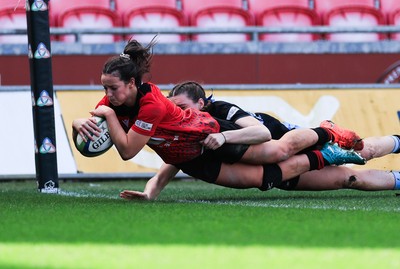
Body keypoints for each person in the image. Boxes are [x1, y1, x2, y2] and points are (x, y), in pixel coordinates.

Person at [72, 39, 364, 193]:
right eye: (104, 89)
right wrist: (76, 123)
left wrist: (108, 114)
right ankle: (327, 156)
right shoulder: (113, 101)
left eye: (112, 88)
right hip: (191, 156)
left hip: (207, 131)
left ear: (132, 84)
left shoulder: (151, 103)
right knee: (260, 180)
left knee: (277, 150)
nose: (107, 95)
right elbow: (96, 121)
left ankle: (326, 133)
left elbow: (127, 150)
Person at [119, 81, 400, 200]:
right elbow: (173, 163)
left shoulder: (220, 111)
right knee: (348, 180)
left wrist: (224, 136)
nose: (179, 113)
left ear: (202, 103)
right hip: (277, 167)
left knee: (367, 151)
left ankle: (334, 133)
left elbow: (262, 134)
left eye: (184, 107)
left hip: (289, 140)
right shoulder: (186, 130)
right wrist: (150, 192)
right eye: (174, 108)